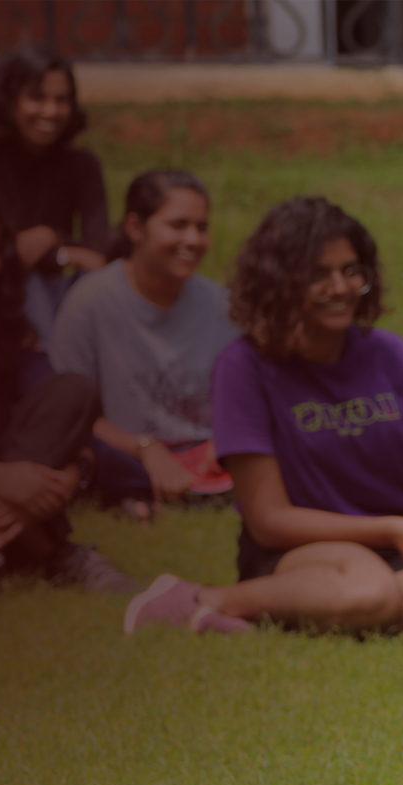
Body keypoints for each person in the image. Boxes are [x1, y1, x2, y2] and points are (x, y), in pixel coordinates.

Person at [124, 196, 403, 636]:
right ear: (280, 283)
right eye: (319, 275)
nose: (340, 287)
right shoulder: (243, 367)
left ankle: (321, 612)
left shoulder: (389, 354)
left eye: (351, 271)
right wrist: (391, 530)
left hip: (390, 553)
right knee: (368, 590)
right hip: (299, 551)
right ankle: (202, 598)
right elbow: (269, 519)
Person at [0, 177, 137, 604]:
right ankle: (53, 552)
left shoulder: (4, 323)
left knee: (76, 389)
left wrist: (74, 472)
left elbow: (66, 412)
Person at [48, 170, 239, 522]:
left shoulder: (221, 305)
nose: (193, 239)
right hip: (123, 449)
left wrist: (225, 439)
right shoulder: (89, 303)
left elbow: (245, 396)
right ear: (135, 228)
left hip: (206, 450)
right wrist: (145, 449)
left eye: (201, 227)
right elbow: (69, 413)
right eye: (178, 225)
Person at [0, 46, 109, 347]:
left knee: (100, 285)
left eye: (61, 100)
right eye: (37, 98)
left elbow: (99, 256)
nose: (50, 111)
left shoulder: (82, 166)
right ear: (8, 102)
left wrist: (51, 240)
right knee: (32, 283)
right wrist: (62, 252)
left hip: (62, 292)